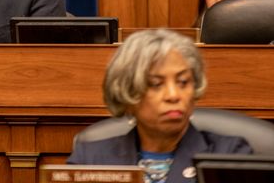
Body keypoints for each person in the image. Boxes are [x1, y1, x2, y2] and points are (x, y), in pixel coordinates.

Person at [68, 29, 252, 182]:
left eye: (183, 82)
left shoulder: (229, 156)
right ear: (128, 93)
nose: (173, 95)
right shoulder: (91, 160)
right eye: (156, 84)